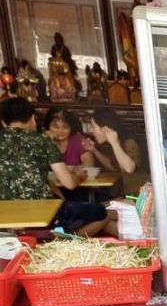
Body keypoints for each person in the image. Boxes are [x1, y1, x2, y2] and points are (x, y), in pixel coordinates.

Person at [0, 98, 114, 236]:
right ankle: (67, 242)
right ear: (32, 119)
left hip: (6, 214)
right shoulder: (42, 141)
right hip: (45, 212)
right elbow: (70, 183)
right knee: (102, 212)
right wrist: (78, 176)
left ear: (4, 122)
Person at [83, 109, 148, 197]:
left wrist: (114, 143)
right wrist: (94, 150)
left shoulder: (129, 142)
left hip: (140, 197)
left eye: (93, 127)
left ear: (106, 128)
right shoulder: (116, 144)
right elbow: (112, 166)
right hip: (127, 195)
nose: (91, 130)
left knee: (100, 208)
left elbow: (129, 168)